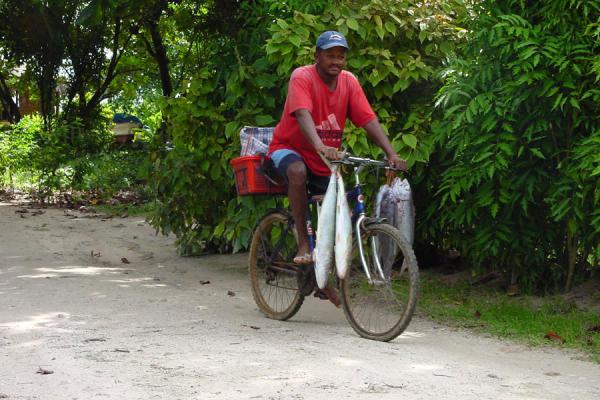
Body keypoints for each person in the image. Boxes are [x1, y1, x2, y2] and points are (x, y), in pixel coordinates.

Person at [268, 31, 407, 304]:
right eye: (330, 55)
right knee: (297, 171)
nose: (336, 61)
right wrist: (320, 145)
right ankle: (303, 246)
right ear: (316, 56)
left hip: (325, 158)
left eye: (341, 56)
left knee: (337, 215)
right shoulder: (302, 76)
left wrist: (391, 153)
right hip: (289, 150)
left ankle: (318, 276)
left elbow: (367, 119)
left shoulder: (349, 82)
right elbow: (301, 113)